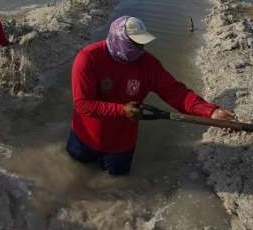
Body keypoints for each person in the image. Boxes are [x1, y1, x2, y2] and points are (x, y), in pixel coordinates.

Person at [67, 15, 235, 175]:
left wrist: (211, 112)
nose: (141, 49)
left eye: (142, 44)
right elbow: (83, 104)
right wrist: (122, 110)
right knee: (72, 169)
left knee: (116, 183)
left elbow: (176, 93)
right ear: (118, 39)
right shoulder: (88, 58)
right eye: (135, 44)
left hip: (121, 143)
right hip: (85, 137)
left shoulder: (148, 64)